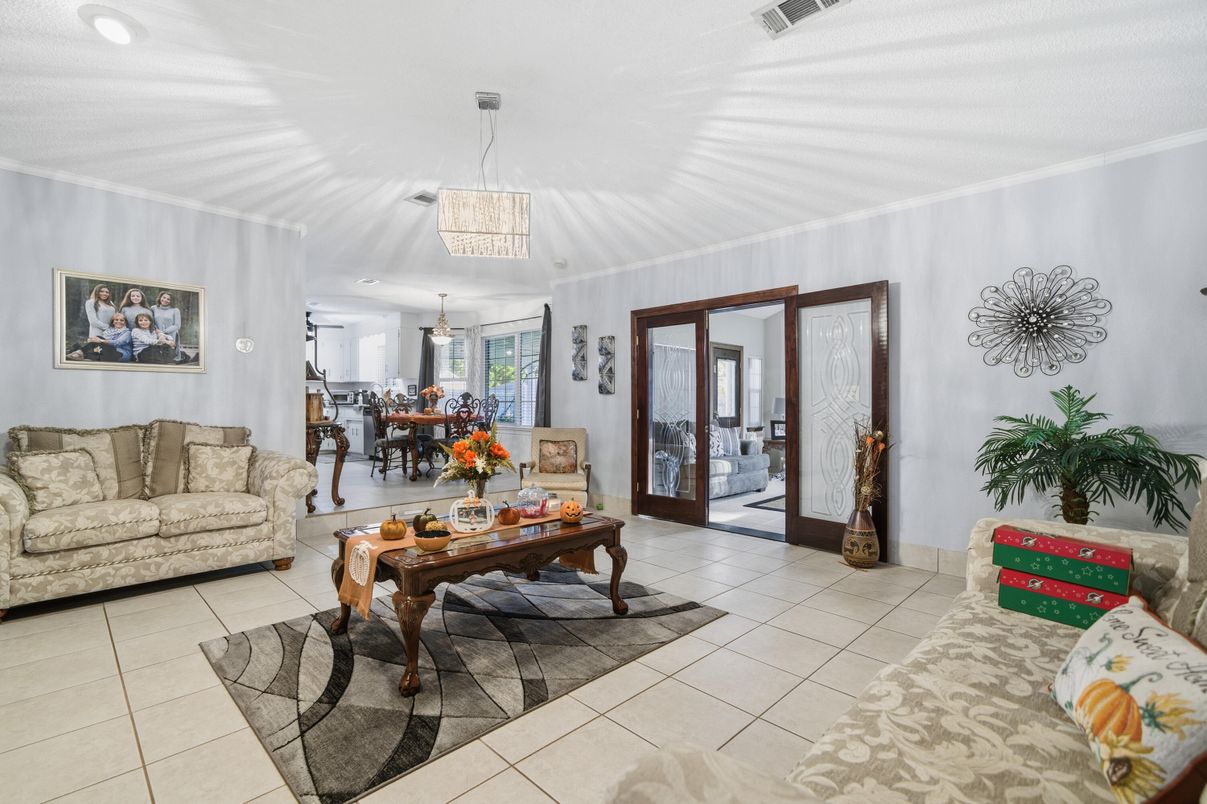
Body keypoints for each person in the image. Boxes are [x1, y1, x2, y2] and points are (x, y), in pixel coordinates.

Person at [152, 291, 182, 360]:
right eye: (164, 297)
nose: (165, 300)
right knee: (158, 355)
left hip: (171, 335)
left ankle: (183, 356)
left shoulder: (175, 310)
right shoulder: (153, 308)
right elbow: (151, 322)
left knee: (169, 356)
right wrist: (158, 331)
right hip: (157, 334)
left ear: (171, 301)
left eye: (168, 299)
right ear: (160, 298)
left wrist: (163, 331)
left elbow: (177, 325)